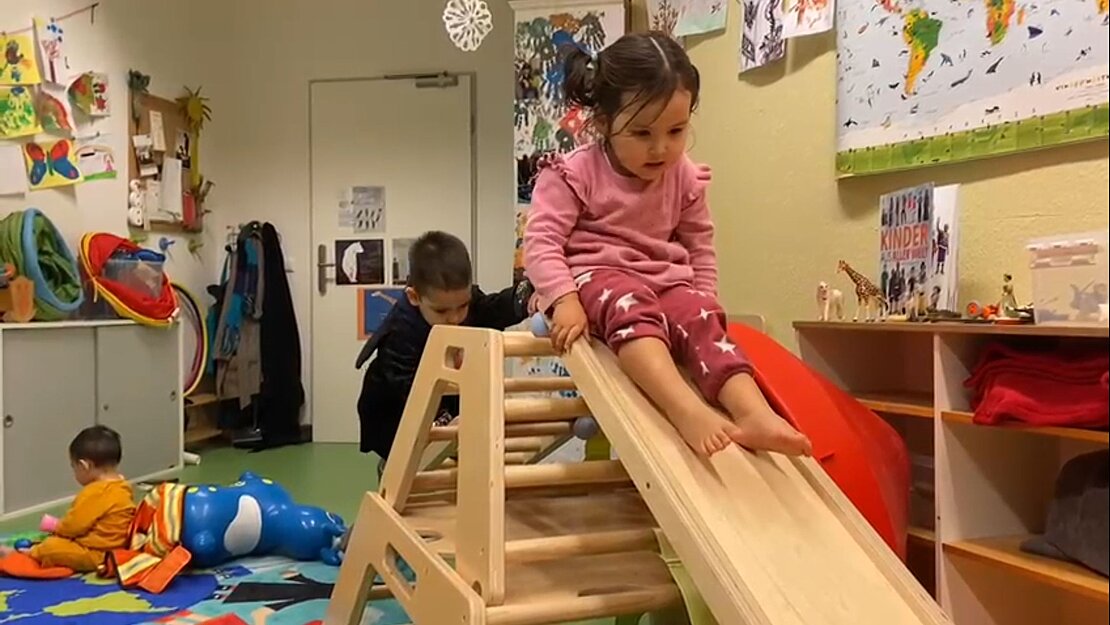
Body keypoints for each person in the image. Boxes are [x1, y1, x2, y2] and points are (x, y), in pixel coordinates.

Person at [523, 32, 811, 457]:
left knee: (699, 315)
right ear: (602, 122)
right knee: (630, 302)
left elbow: (700, 244)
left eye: (676, 130)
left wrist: (705, 301)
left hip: (663, 283)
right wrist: (563, 298)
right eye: (642, 133)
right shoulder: (574, 173)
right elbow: (541, 242)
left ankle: (754, 413)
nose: (661, 148)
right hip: (596, 279)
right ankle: (685, 410)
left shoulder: (684, 176)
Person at [355, 231, 534, 477]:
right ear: (414, 297)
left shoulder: (463, 304)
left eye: (463, 306)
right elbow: (404, 384)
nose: (455, 318)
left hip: (446, 395)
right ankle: (390, 471)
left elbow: (492, 310)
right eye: (441, 311)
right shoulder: (401, 331)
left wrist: (525, 297)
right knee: (406, 463)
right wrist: (441, 420)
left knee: (454, 448)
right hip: (395, 411)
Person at [0, 426, 135, 572]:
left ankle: (27, 554)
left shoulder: (96, 492)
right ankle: (36, 547)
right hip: (116, 550)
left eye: (74, 467)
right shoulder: (123, 486)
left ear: (84, 466)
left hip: (97, 554)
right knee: (53, 541)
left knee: (52, 547)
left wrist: (56, 526)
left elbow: (74, 526)